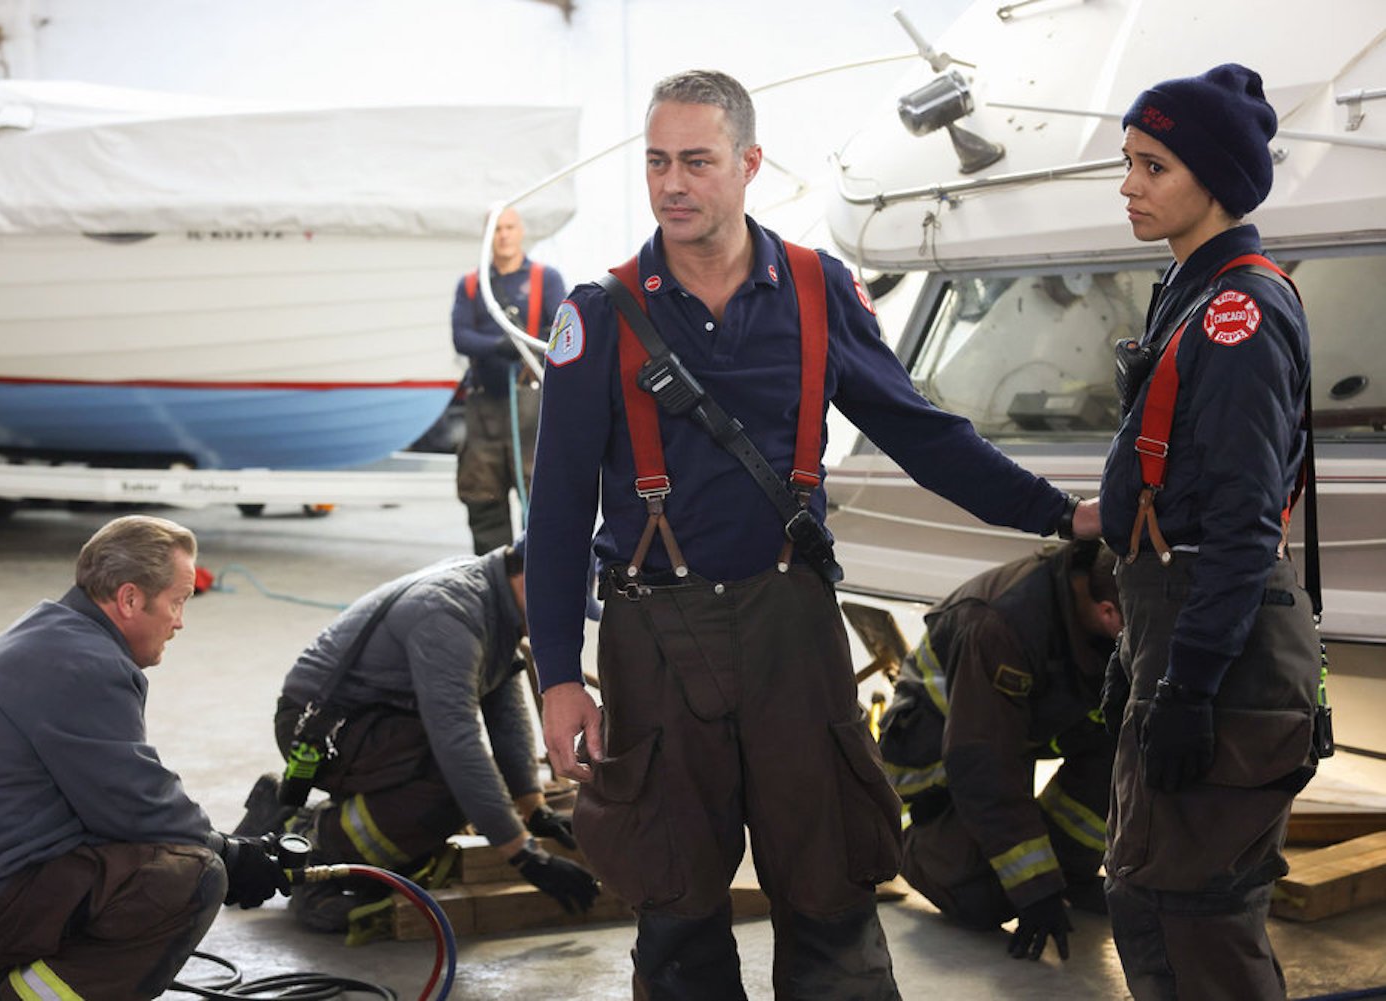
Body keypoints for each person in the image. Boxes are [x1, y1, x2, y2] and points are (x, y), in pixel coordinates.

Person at [525, 68, 1100, 1001]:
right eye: (658, 162)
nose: (674, 183)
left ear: (749, 164)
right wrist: (556, 676)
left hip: (791, 625)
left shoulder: (816, 288)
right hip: (654, 638)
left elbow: (921, 431)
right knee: (675, 900)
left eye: (698, 161)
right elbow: (554, 515)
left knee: (830, 879)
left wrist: (1057, 512)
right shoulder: (598, 313)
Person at [1099, 64, 1323, 1001]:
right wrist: (1142, 661)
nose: (1130, 185)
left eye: (1153, 166)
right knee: (1150, 899)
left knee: (1199, 924)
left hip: (1216, 642)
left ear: (1215, 179)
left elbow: (1237, 523)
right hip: (1181, 624)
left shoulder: (1235, 314)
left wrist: (1187, 683)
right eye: (1127, 163)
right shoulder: (1192, 293)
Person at [0, 515, 289, 1001]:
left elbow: (114, 801)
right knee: (191, 878)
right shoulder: (83, 665)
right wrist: (231, 855)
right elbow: (139, 806)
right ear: (130, 599)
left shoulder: (56, 633)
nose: (180, 620)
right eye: (178, 601)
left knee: (144, 860)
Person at [237, 539, 599, 934]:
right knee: (452, 786)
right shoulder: (451, 613)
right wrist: (523, 855)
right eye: (564, 606)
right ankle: (313, 851)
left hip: (379, 727)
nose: (566, 622)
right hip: (321, 731)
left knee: (462, 790)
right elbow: (457, 744)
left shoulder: (496, 602)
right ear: (529, 579)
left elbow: (505, 717)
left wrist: (534, 808)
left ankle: (322, 831)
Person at [878, 540, 1122, 963]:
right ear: (1108, 613)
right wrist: (1037, 887)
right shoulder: (1002, 624)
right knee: (984, 902)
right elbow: (983, 763)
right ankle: (914, 848)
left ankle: (1074, 872)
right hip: (933, 777)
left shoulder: (1097, 607)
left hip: (1009, 735)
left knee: (1121, 737)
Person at [451, 206, 568, 555]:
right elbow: (460, 337)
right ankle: (496, 585)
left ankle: (538, 586)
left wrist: (520, 345)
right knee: (482, 498)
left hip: (531, 408)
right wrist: (497, 346)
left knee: (542, 501)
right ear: (488, 236)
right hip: (484, 408)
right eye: (496, 228)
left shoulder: (545, 279)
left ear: (520, 232)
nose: (503, 235)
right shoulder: (472, 286)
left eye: (509, 227)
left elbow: (561, 330)